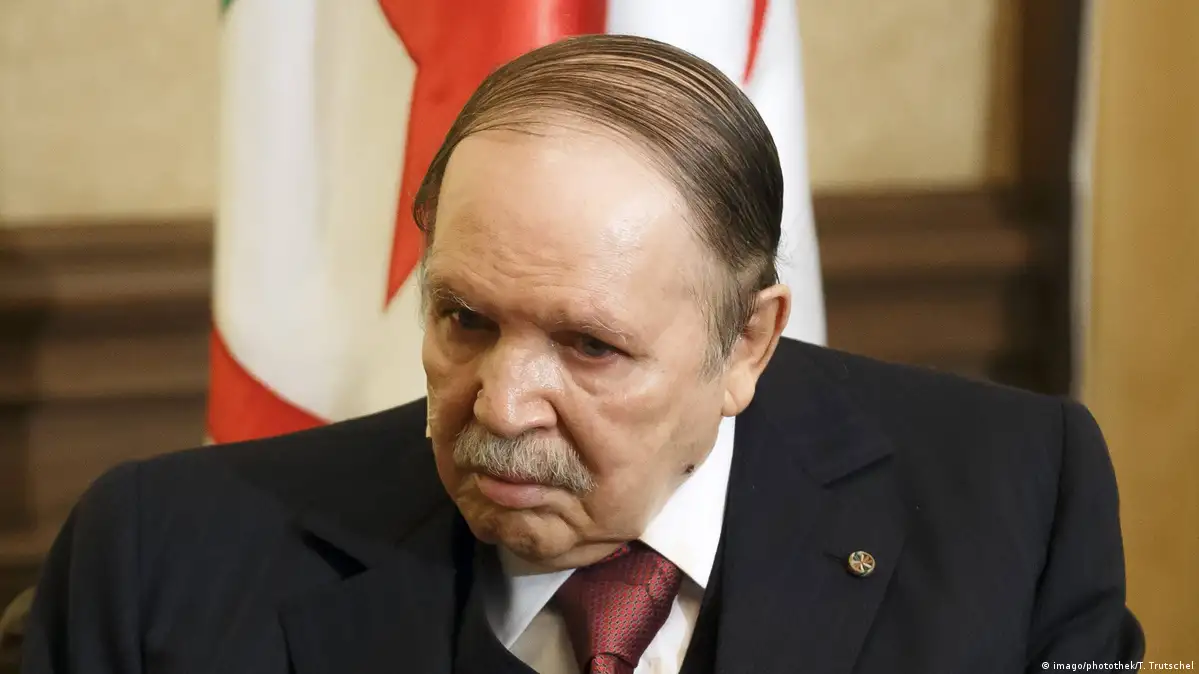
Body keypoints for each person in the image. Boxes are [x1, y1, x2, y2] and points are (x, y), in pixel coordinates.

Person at [22, 35, 1143, 674]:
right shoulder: (160, 561)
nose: (501, 404)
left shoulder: (1011, 501)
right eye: (465, 319)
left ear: (747, 341)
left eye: (590, 345)